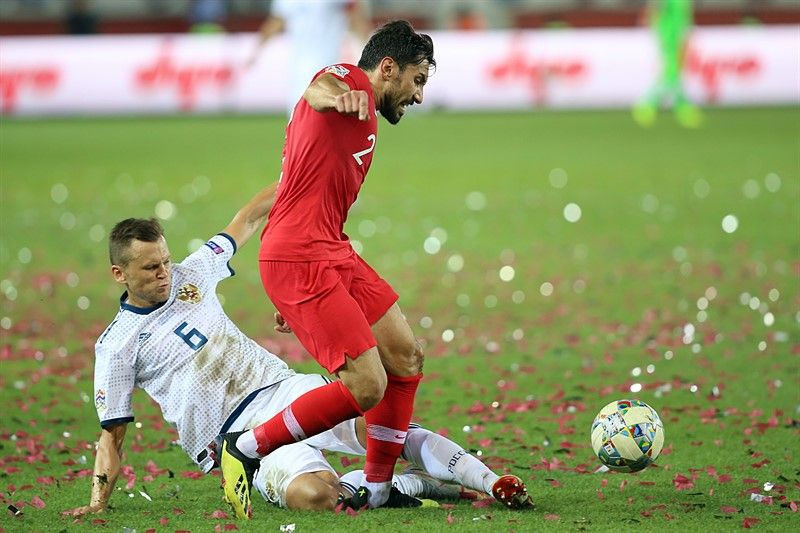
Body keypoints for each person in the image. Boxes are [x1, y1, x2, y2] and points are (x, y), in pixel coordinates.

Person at [63, 183, 532, 516]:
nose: (165, 272)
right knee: (316, 496)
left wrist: (301, 176)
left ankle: (494, 483)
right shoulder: (117, 346)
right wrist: (97, 503)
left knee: (385, 429)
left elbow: (246, 218)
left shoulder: (193, 273)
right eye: (150, 268)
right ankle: (403, 485)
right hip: (230, 433)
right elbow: (112, 436)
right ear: (119, 274)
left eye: (165, 260)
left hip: (283, 390)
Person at [216, 20, 436, 517]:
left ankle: (378, 487)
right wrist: (340, 94)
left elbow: (289, 187)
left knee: (405, 357)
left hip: (327, 251)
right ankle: (245, 448)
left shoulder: (346, 125)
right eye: (417, 81)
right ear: (387, 68)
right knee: (367, 384)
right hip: (301, 255)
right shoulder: (352, 86)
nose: (419, 96)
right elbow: (319, 86)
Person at [245, 0, 371, 116]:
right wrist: (256, 51)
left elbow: (354, 16)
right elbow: (276, 22)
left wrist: (368, 49)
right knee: (297, 121)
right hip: (299, 71)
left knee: (325, 122)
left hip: (328, 68)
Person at [632, 0, 703, 128]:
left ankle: (655, 105)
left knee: (673, 70)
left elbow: (684, 11)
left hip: (677, 28)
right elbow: (658, 6)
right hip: (669, 29)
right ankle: (655, 105)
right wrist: (652, 18)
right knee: (672, 69)